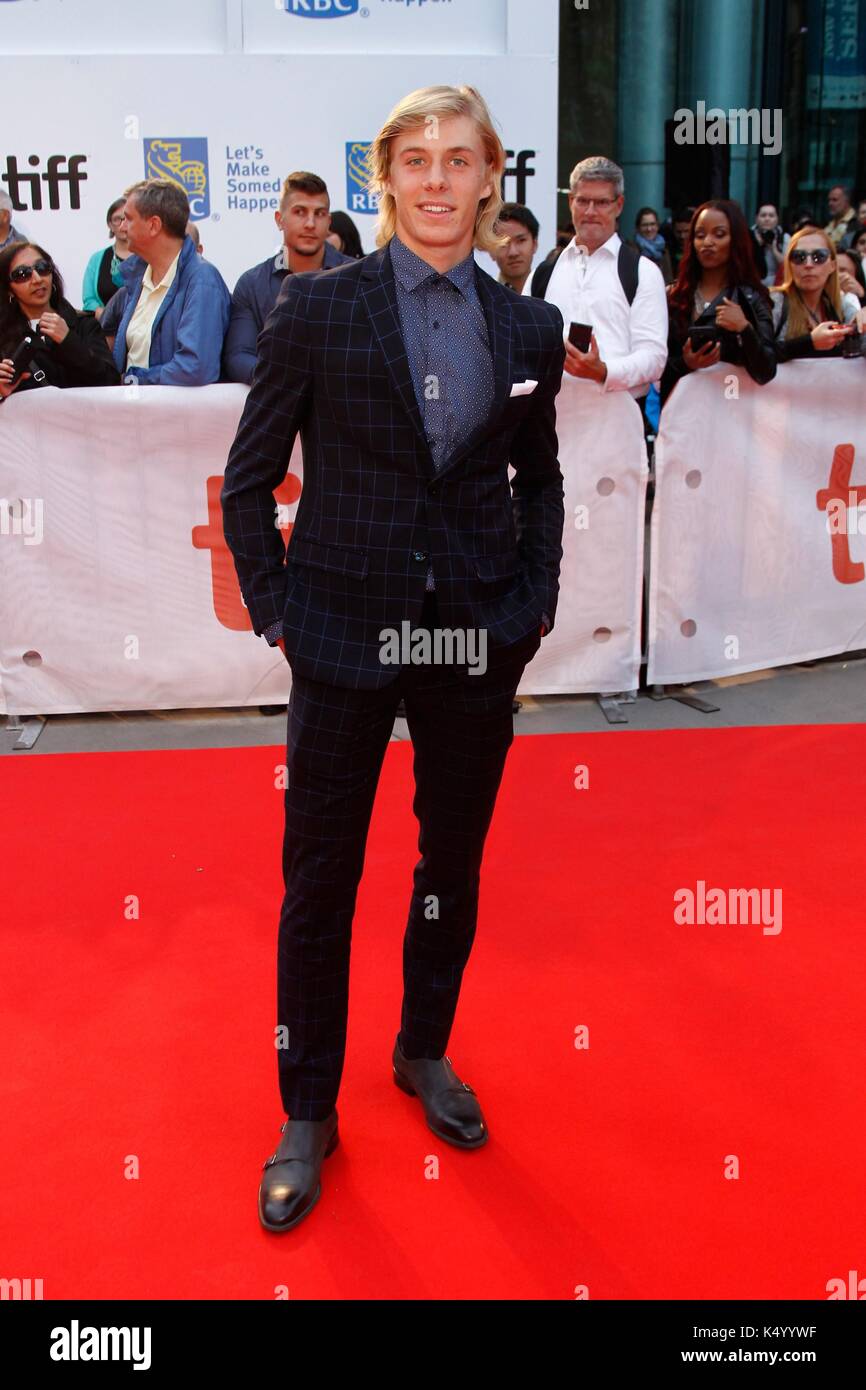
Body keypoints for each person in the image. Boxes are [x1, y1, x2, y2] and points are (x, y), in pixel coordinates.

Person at [221, 83, 566, 1234]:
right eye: (413, 159)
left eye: (456, 160)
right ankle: (307, 1109)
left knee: (448, 866)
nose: (434, 179)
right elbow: (246, 475)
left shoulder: (523, 328)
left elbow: (540, 478)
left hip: (474, 636)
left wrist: (529, 604)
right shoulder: (319, 310)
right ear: (387, 176)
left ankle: (422, 1050)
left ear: (487, 177)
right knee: (318, 881)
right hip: (337, 634)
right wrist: (277, 610)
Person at [532, 155, 668, 402]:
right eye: (583, 201)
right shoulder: (544, 273)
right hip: (553, 427)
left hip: (618, 424)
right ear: (571, 202)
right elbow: (523, 345)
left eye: (602, 202)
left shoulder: (642, 272)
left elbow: (654, 357)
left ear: (619, 205)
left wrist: (603, 371)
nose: (591, 212)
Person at [222, 172, 352, 385]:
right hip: (280, 407)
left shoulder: (356, 277)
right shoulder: (253, 284)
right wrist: (283, 382)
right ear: (279, 219)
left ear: (328, 222)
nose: (310, 223)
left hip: (342, 408)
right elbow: (238, 356)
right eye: (299, 212)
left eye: (319, 214)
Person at [100, 178, 230, 385]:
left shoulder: (202, 280)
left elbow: (195, 368)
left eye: (128, 219)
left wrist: (134, 380)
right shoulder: (135, 280)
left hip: (178, 416)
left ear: (153, 225)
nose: (122, 227)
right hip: (133, 412)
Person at [661, 199, 777, 405]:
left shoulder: (751, 298)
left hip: (734, 414)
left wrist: (744, 329)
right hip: (682, 416)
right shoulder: (673, 296)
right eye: (700, 235)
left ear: (736, 240)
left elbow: (766, 371)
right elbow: (654, 366)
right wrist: (686, 363)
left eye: (719, 234)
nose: (708, 242)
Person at [0, 241, 119, 397]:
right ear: (9, 290)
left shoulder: (84, 324)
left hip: (83, 419)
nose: (37, 279)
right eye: (22, 274)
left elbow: (111, 382)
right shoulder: (4, 338)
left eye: (42, 268)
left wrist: (68, 341)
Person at [770, 227, 864, 362]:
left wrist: (863, 311)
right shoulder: (774, 301)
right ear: (789, 265)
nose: (808, 264)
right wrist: (810, 342)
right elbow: (758, 355)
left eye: (819, 257)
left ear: (832, 265)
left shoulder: (843, 304)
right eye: (799, 257)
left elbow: (861, 349)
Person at [81, 198, 133, 318]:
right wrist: (103, 314)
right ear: (110, 224)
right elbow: (89, 299)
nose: (123, 224)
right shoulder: (97, 259)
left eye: (128, 218)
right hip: (106, 329)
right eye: (117, 219)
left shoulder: (147, 256)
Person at [491, 202, 539, 294]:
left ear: (534, 244)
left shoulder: (550, 293)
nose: (513, 252)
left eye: (521, 240)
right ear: (491, 251)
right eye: (503, 243)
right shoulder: (481, 299)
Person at [628, 206, 674, 285]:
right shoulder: (631, 250)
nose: (649, 229)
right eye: (645, 225)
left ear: (657, 226)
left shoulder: (663, 249)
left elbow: (669, 279)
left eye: (652, 224)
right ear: (637, 228)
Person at [750, 203, 789, 286]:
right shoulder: (748, 236)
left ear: (777, 219)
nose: (767, 219)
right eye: (763, 215)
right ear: (756, 219)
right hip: (753, 285)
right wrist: (757, 246)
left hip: (777, 287)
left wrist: (774, 249)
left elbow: (788, 267)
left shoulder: (784, 237)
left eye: (771, 216)